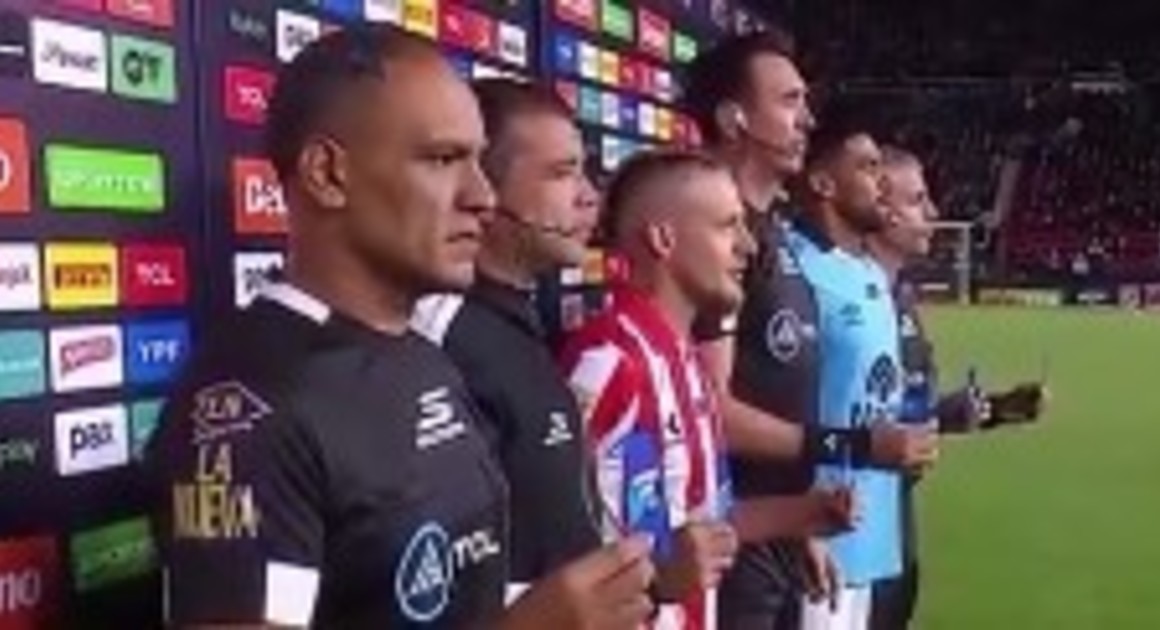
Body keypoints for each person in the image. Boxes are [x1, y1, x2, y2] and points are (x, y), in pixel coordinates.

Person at [147, 25, 655, 629]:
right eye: (442, 159)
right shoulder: (250, 407)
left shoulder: (425, 355)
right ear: (327, 174)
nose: (483, 196)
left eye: (478, 161)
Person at [681, 33, 936, 629]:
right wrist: (851, 446)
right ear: (734, 118)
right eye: (790, 101)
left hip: (780, 533)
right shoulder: (711, 236)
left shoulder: (770, 238)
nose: (808, 119)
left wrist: (799, 525)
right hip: (729, 545)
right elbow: (707, 410)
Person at [560, 150, 859, 630]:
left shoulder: (688, 362)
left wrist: (797, 516)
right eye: (727, 227)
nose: (748, 246)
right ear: (663, 239)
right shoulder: (609, 362)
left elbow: (698, 523)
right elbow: (564, 552)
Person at [412, 78, 604, 594]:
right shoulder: (440, 336)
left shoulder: (516, 317)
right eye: (562, 173)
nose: (588, 196)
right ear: (485, 191)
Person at [866, 146, 1048, 630]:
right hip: (851, 522)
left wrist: (995, 409)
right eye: (916, 200)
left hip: (894, 514)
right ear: (878, 208)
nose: (932, 213)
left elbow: (905, 411)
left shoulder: (898, 297)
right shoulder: (845, 302)